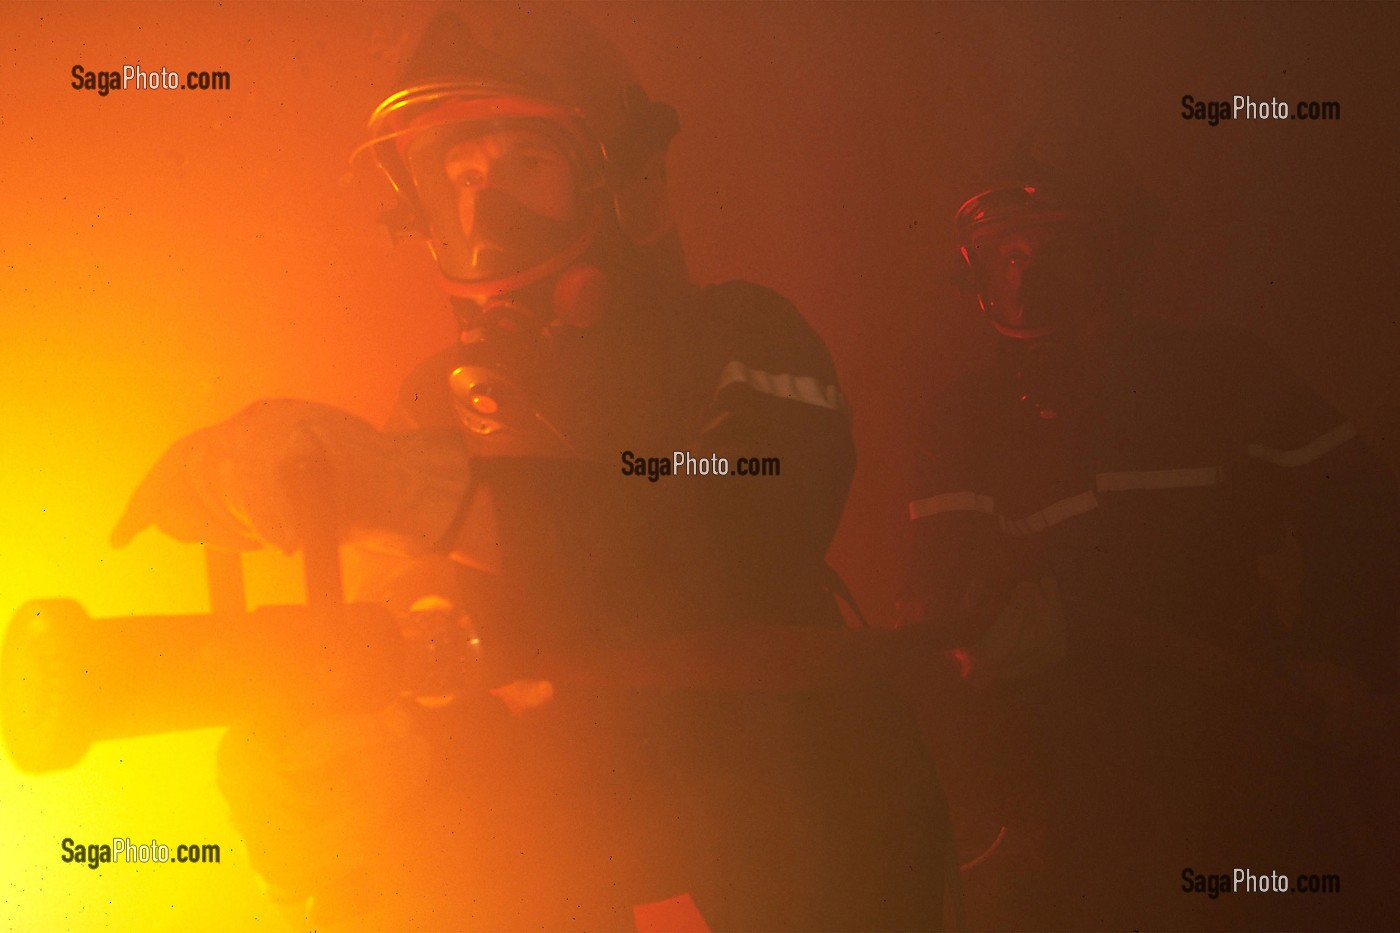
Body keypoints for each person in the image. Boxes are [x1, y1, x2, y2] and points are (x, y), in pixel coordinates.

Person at [107, 5, 1034, 929]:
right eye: (457, 177)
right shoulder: (439, 399)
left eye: (525, 167)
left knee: (818, 796)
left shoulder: (737, 333)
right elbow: (433, 620)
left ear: (626, 182)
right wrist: (350, 766)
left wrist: (426, 493)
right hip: (578, 796)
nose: (482, 212)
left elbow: (747, 514)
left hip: (786, 785)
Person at [901, 136, 1400, 929]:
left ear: (1114, 252)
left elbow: (1363, 508)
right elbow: (939, 602)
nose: (1026, 276)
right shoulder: (962, 423)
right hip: (1073, 805)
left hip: (1245, 768)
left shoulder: (1220, 376)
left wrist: (1338, 660)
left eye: (1052, 246)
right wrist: (980, 672)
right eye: (1006, 254)